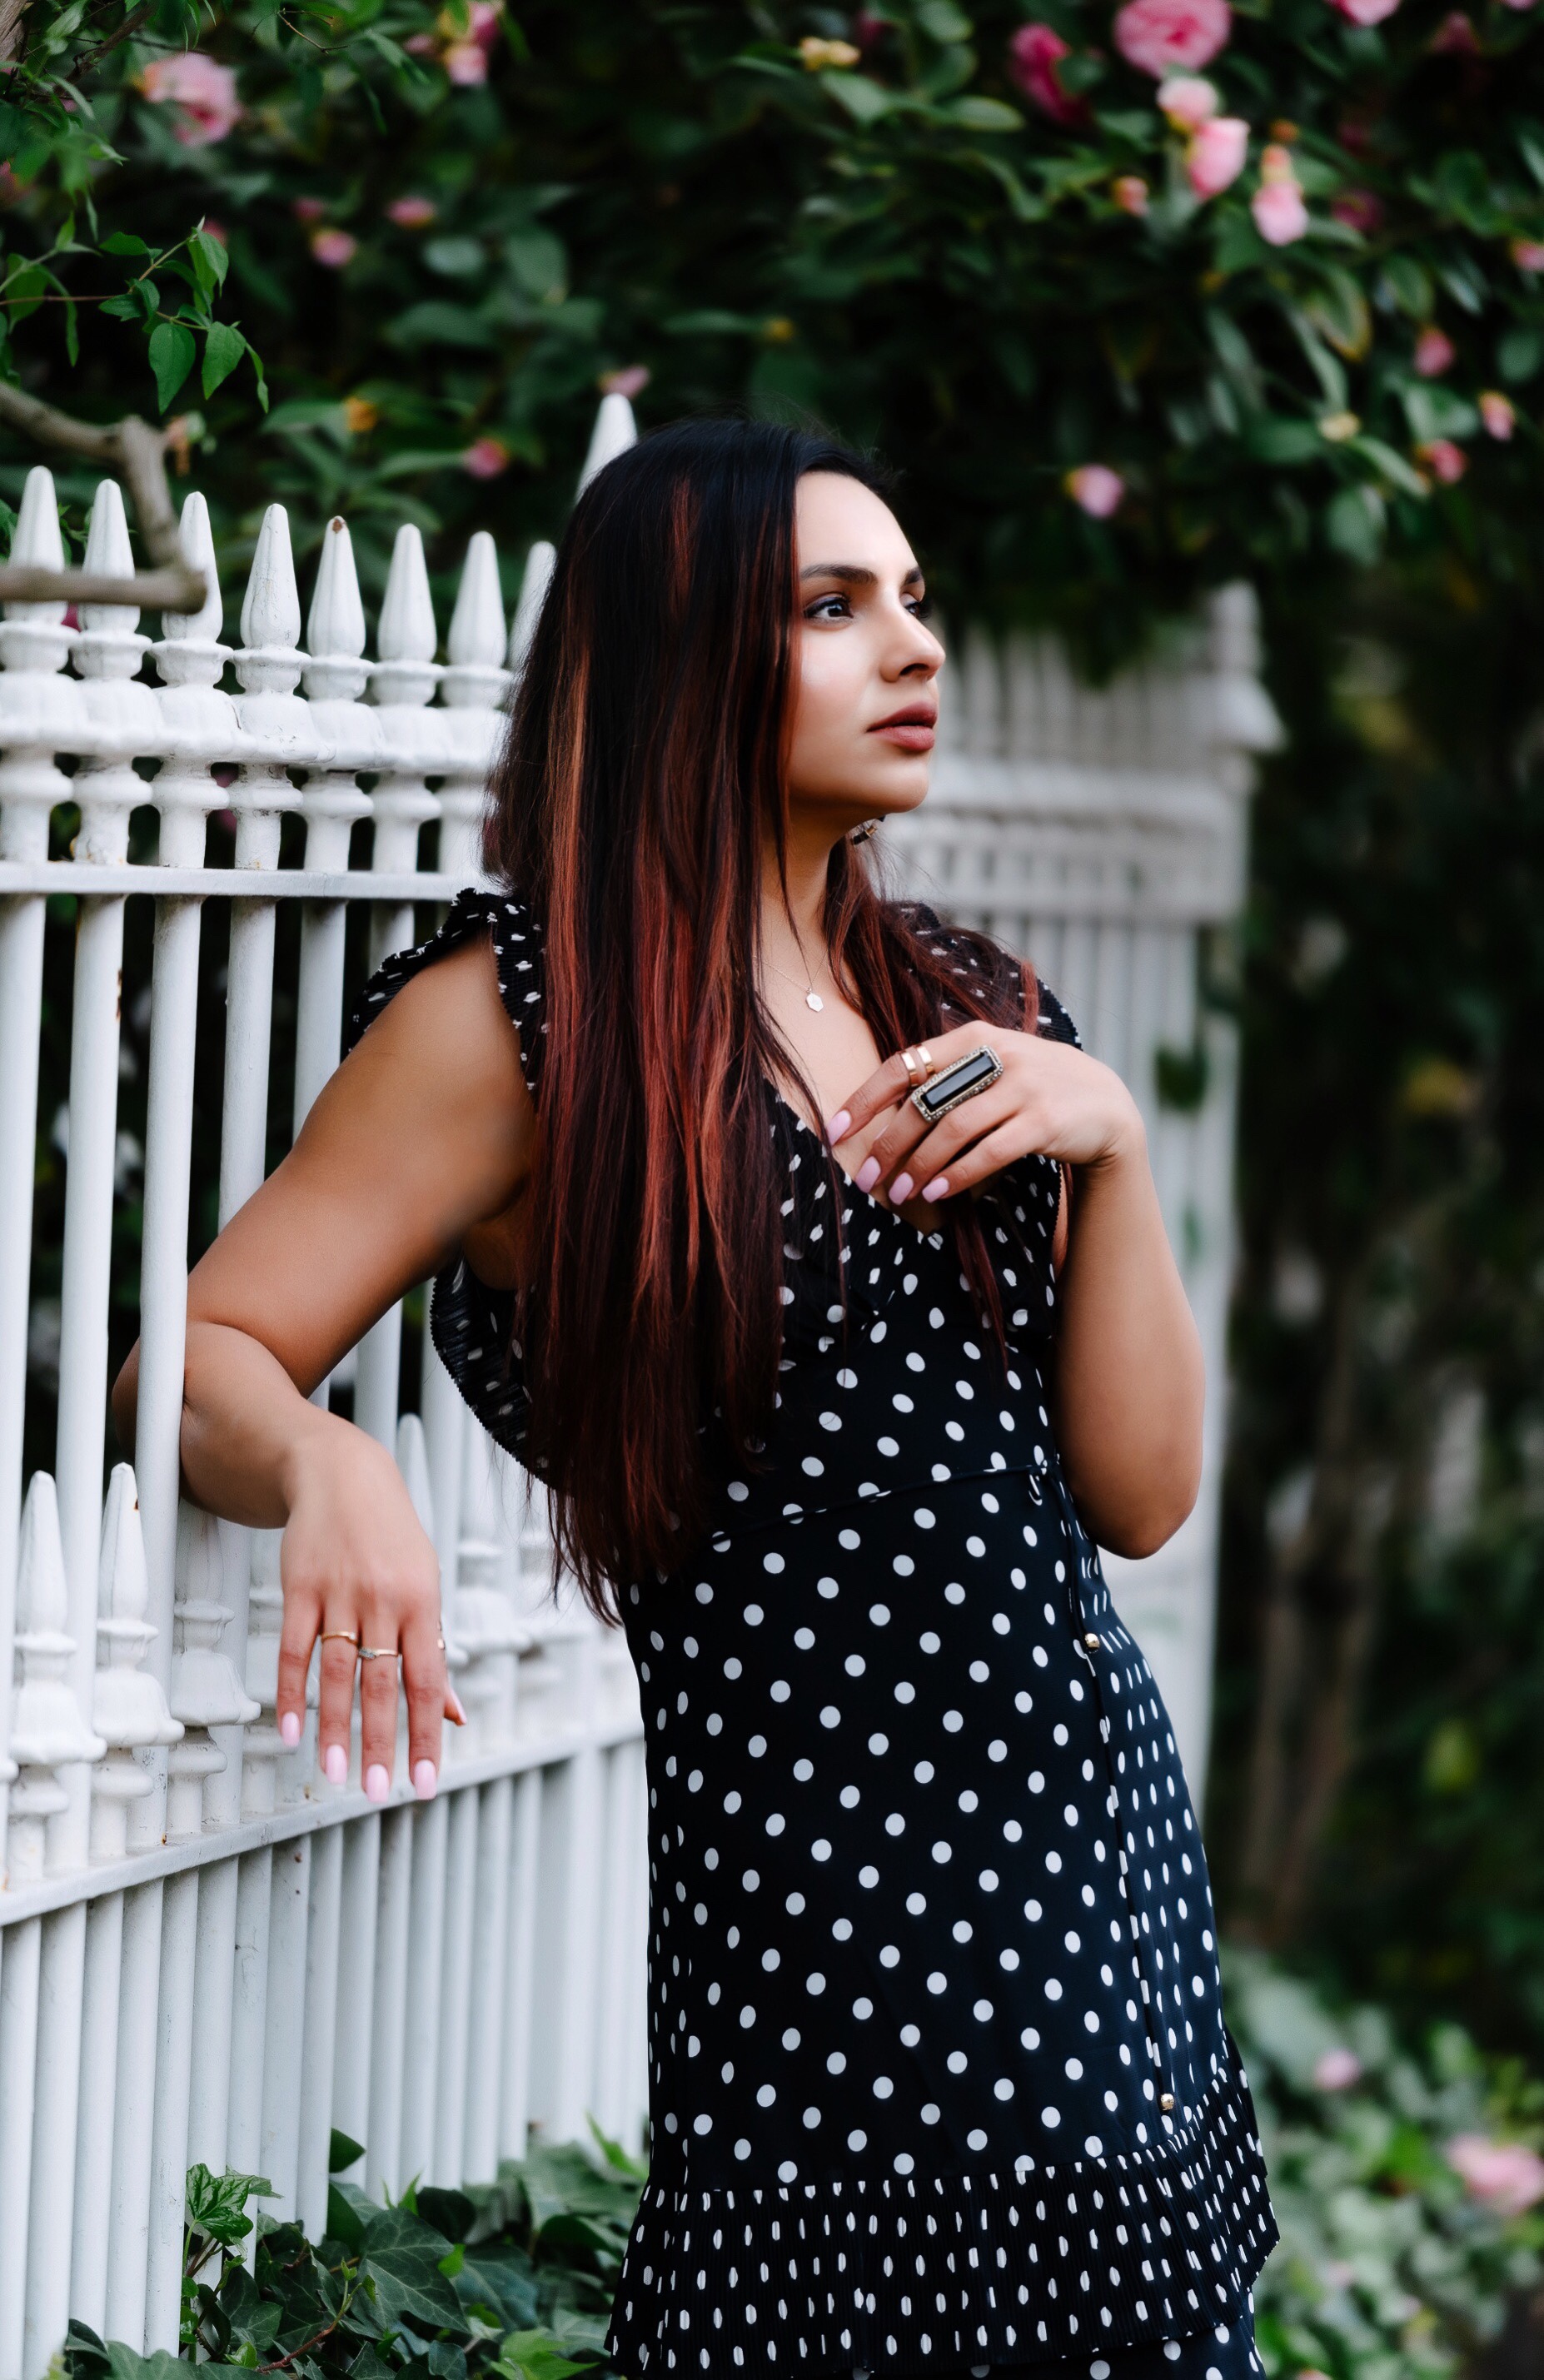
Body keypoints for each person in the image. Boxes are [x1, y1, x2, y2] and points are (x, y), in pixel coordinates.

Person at [114, 420, 1275, 2380]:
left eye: (914, 600)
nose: (912, 645)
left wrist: (1116, 1144)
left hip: (1093, 1851)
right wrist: (324, 1458)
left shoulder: (966, 1005)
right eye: (831, 606)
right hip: (819, 1895)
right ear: (679, 651)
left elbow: (1140, 1498)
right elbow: (202, 1353)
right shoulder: (527, 1022)